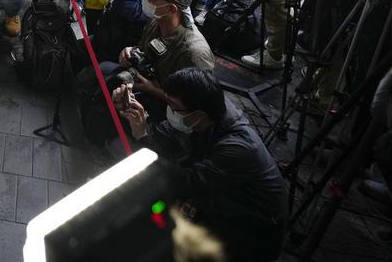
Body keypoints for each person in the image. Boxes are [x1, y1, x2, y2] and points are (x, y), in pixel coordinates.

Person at [115, 68, 288, 262]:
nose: (170, 112)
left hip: (253, 228)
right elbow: (166, 136)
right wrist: (139, 118)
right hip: (222, 196)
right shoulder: (206, 114)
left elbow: (186, 183)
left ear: (198, 114)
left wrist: (143, 138)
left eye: (174, 107)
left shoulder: (237, 148)